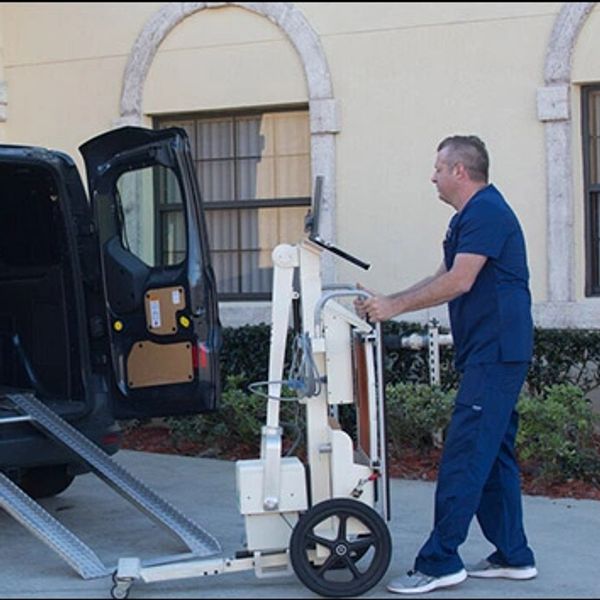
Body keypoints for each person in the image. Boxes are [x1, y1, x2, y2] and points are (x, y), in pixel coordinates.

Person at [355, 135, 537, 594]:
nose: (431, 175)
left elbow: (460, 281)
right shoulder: (468, 218)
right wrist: (389, 300)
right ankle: (514, 555)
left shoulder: (488, 212)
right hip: (489, 351)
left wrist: (394, 307)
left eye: (438, 167)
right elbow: (443, 275)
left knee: (466, 453)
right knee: (493, 454)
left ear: (460, 171)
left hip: (496, 353)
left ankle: (439, 562)